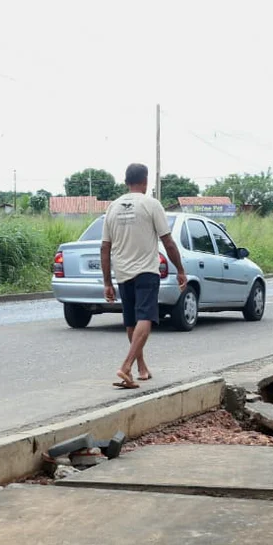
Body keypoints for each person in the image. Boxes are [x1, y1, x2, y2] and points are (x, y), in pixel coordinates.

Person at [100, 163, 187, 390]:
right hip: (147, 271)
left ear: (126, 181)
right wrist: (179, 269)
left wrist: (107, 282)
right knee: (145, 318)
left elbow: (104, 248)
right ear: (145, 181)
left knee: (131, 320)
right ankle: (127, 366)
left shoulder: (113, 207)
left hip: (122, 273)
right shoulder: (151, 204)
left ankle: (141, 367)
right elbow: (167, 241)